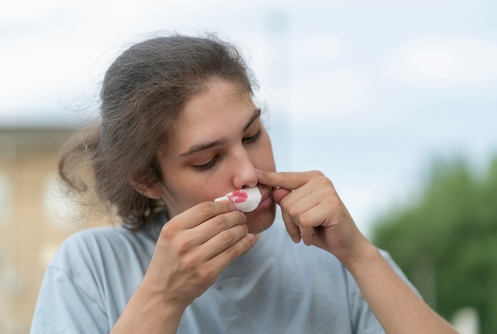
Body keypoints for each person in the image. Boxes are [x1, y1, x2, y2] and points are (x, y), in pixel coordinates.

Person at [30, 34, 457, 334]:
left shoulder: (337, 261)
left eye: (252, 136)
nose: (248, 172)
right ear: (147, 180)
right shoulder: (91, 268)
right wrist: (162, 299)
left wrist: (362, 257)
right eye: (208, 160)